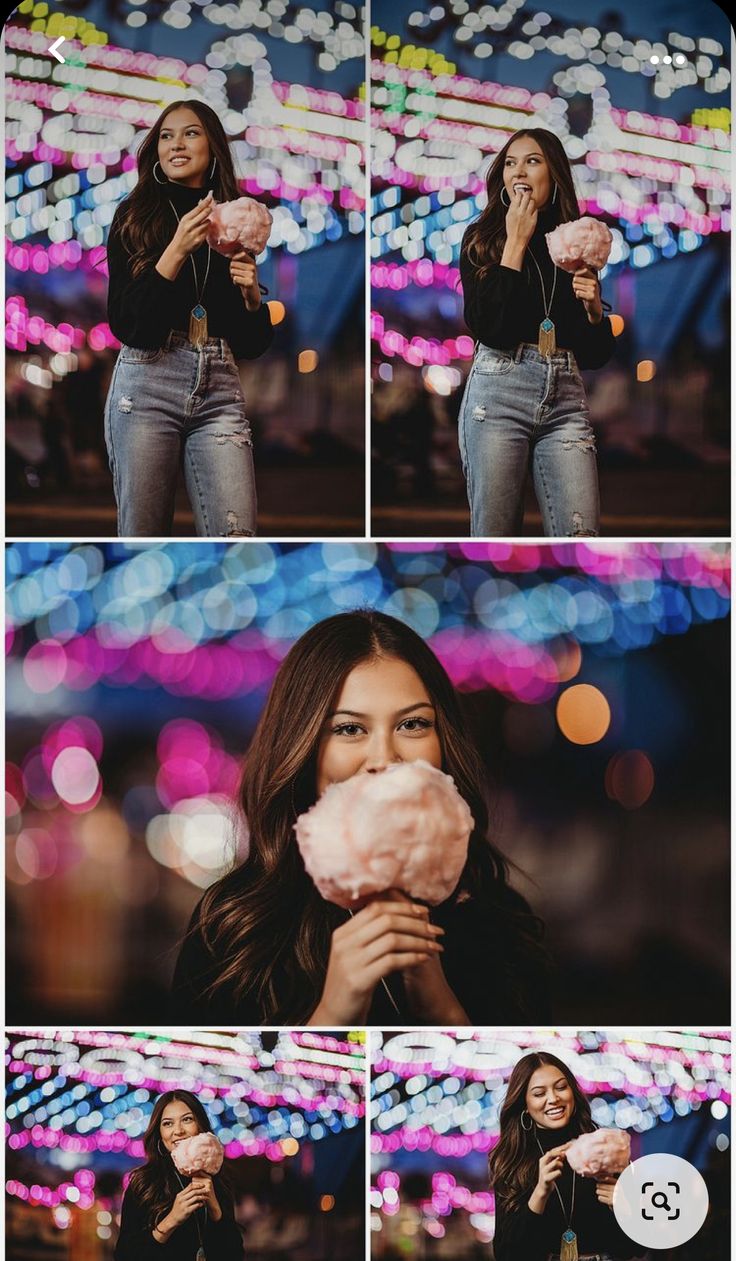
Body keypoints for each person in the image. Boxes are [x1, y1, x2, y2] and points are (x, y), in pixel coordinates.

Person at [172, 609, 548, 1025]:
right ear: (304, 747)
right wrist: (334, 1014)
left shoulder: (502, 923)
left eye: (412, 724)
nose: (385, 759)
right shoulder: (231, 926)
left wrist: (441, 1009)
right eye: (350, 729)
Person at [104, 99, 274, 537]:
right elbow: (130, 326)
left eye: (191, 133)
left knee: (236, 535)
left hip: (219, 388)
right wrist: (176, 250)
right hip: (147, 387)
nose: (176, 144)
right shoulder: (136, 216)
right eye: (166, 135)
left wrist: (253, 296)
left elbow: (252, 345)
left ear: (213, 146)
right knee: (144, 535)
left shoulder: (234, 221)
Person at [459, 128, 616, 537]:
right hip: (498, 394)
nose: (518, 171)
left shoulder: (574, 243)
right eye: (510, 162)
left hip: (565, 397)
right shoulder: (482, 238)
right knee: (495, 533)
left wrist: (595, 310)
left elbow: (595, 355)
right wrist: (515, 242)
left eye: (532, 160)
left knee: (581, 534)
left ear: (554, 173)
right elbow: (490, 330)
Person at [489, 1052, 644, 1261]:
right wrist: (540, 1193)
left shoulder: (604, 1149)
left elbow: (634, 1250)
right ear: (524, 1103)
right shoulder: (512, 1160)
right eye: (538, 1093)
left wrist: (625, 1207)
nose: (553, 1099)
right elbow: (507, 1255)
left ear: (572, 1091)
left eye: (561, 1087)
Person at [114, 1090, 243, 1260]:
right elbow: (124, 1256)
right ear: (160, 1134)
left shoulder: (218, 1179)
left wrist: (215, 1209)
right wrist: (172, 1220)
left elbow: (235, 1255)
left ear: (200, 1126)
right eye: (168, 1123)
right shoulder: (143, 1184)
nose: (178, 1131)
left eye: (187, 1119)